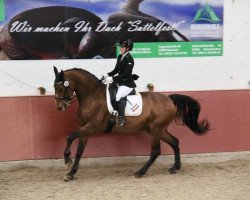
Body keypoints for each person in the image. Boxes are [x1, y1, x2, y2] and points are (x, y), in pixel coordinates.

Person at [103, 39, 138, 127]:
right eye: (120, 47)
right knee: (110, 91)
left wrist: (112, 78)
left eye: (122, 47)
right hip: (120, 82)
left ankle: (121, 118)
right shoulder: (120, 56)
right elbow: (116, 70)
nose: (120, 48)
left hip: (127, 84)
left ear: (127, 48)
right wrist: (107, 74)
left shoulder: (130, 59)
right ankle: (115, 111)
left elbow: (125, 75)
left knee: (118, 96)